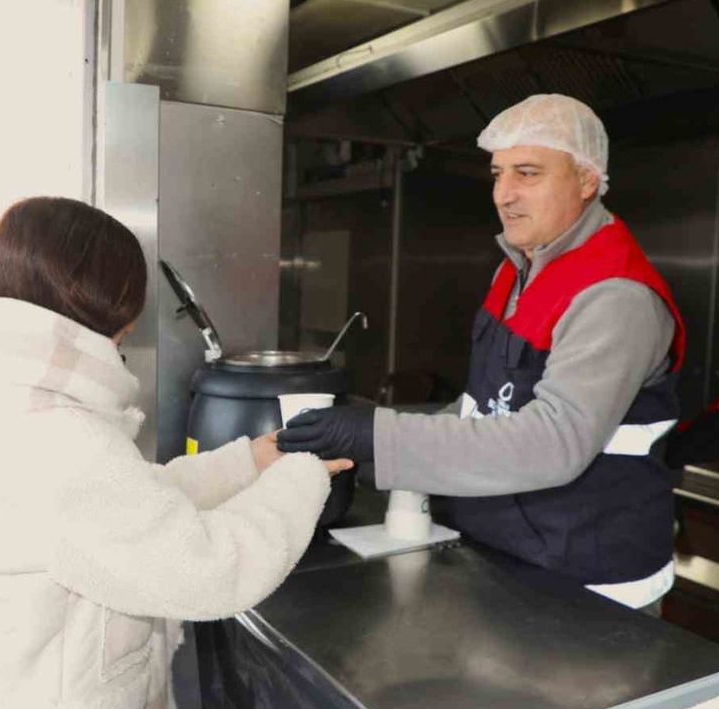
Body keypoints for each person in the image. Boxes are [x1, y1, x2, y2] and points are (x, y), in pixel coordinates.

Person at [0, 196, 351, 709]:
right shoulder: (59, 437)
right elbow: (208, 570)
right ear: (107, 307)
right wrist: (301, 478)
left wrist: (247, 464)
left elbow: (122, 507)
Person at [278, 94, 686, 613]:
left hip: (590, 587)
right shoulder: (515, 271)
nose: (504, 195)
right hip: (507, 558)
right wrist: (372, 447)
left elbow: (552, 442)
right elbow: (485, 408)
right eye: (497, 174)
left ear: (587, 180)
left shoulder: (614, 296)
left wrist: (379, 435)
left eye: (528, 173)